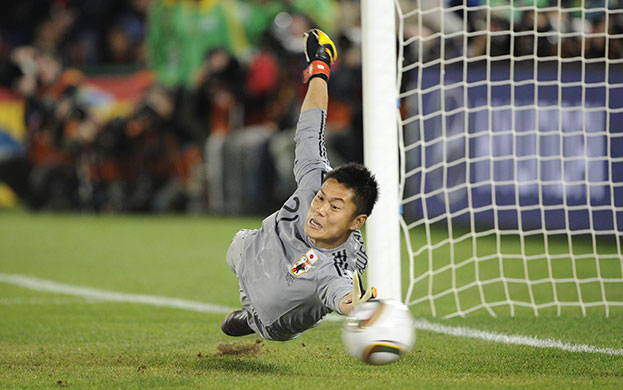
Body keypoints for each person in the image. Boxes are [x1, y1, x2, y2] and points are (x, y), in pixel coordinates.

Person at [221, 29, 379, 341]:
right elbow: (310, 126)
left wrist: (357, 307)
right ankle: (250, 309)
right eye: (321, 199)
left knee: (293, 290)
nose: (319, 209)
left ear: (357, 221)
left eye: (335, 207)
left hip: (274, 319)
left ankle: (252, 321)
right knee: (239, 243)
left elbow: (342, 291)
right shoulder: (316, 177)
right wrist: (319, 68)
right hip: (250, 252)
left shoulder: (341, 263)